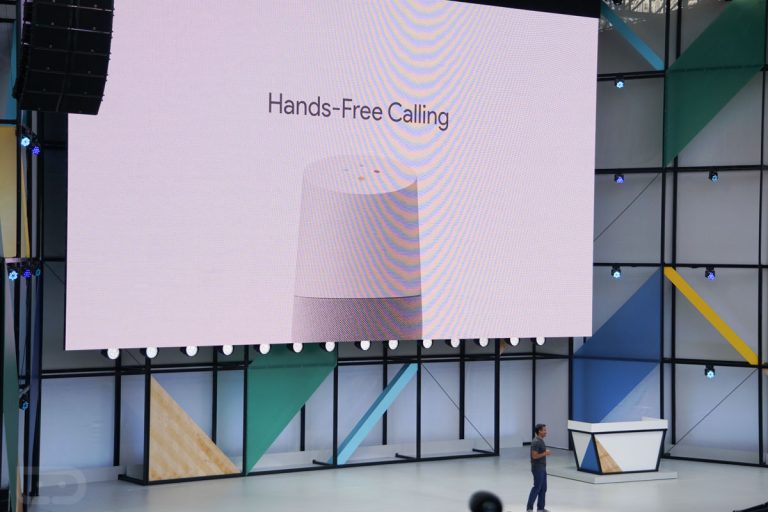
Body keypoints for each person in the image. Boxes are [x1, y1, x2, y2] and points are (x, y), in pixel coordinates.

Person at [526, 423, 551, 512]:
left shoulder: (541, 440)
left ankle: (540, 508)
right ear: (539, 431)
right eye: (544, 430)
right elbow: (534, 456)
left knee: (543, 488)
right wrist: (545, 453)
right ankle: (529, 508)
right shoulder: (536, 442)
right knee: (537, 488)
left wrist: (544, 453)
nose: (546, 432)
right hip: (537, 469)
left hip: (542, 468)